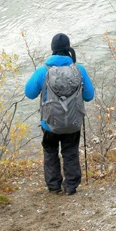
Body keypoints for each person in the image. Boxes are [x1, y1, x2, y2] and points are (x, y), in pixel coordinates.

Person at [24, 33, 95, 195]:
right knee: (70, 151)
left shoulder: (44, 71)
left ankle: (54, 186)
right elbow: (89, 96)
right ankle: (71, 186)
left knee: (50, 152)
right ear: (68, 49)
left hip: (50, 123)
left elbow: (29, 93)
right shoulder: (79, 70)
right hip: (73, 123)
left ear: (52, 49)